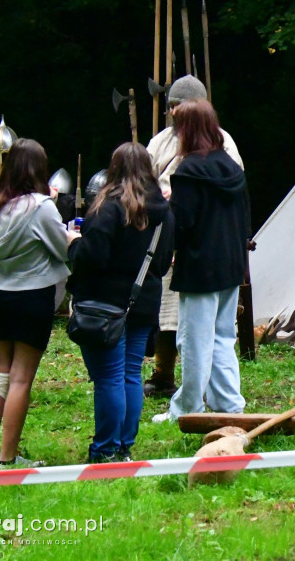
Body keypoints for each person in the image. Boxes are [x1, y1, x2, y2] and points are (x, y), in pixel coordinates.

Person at [67, 143, 175, 462]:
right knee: (129, 375)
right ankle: (124, 447)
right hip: (141, 303)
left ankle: (104, 450)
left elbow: (92, 257)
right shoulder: (164, 213)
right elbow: (164, 260)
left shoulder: (109, 207)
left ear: (113, 170)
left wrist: (74, 245)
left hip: (105, 305)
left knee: (110, 378)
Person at [0, 138, 76, 470]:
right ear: (38, 169)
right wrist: (68, 231)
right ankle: (7, 460)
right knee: (20, 379)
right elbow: (60, 248)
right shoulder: (41, 206)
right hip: (32, 299)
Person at [144, 75, 243, 398]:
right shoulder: (160, 143)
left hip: (195, 252)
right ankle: (172, 377)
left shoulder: (221, 146)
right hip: (217, 253)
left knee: (196, 335)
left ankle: (190, 403)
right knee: (174, 318)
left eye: (180, 108)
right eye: (171, 106)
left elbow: (191, 215)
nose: (174, 113)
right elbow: (145, 185)